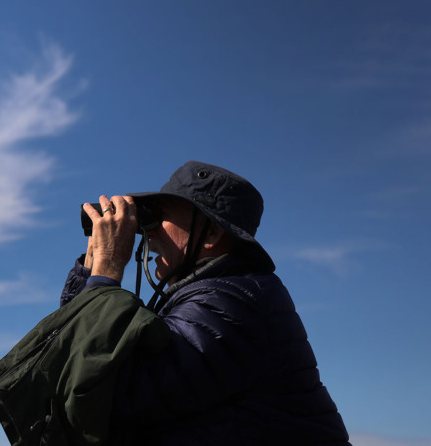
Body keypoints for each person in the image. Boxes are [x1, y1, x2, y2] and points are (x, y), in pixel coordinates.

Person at [61, 161, 350, 445]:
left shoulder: (231, 302)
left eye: (159, 217)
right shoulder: (217, 295)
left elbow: (109, 394)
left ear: (212, 232)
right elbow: (71, 362)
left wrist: (107, 270)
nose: (148, 232)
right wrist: (90, 273)